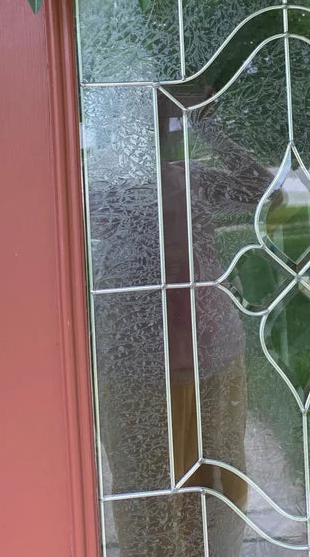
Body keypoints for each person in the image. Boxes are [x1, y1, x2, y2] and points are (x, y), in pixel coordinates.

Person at [93, 87, 273, 555]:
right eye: (148, 123)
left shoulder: (191, 178)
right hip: (135, 364)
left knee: (217, 475)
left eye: (169, 123)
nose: (157, 135)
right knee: (145, 487)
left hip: (210, 355)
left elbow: (266, 191)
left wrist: (210, 124)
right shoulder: (100, 191)